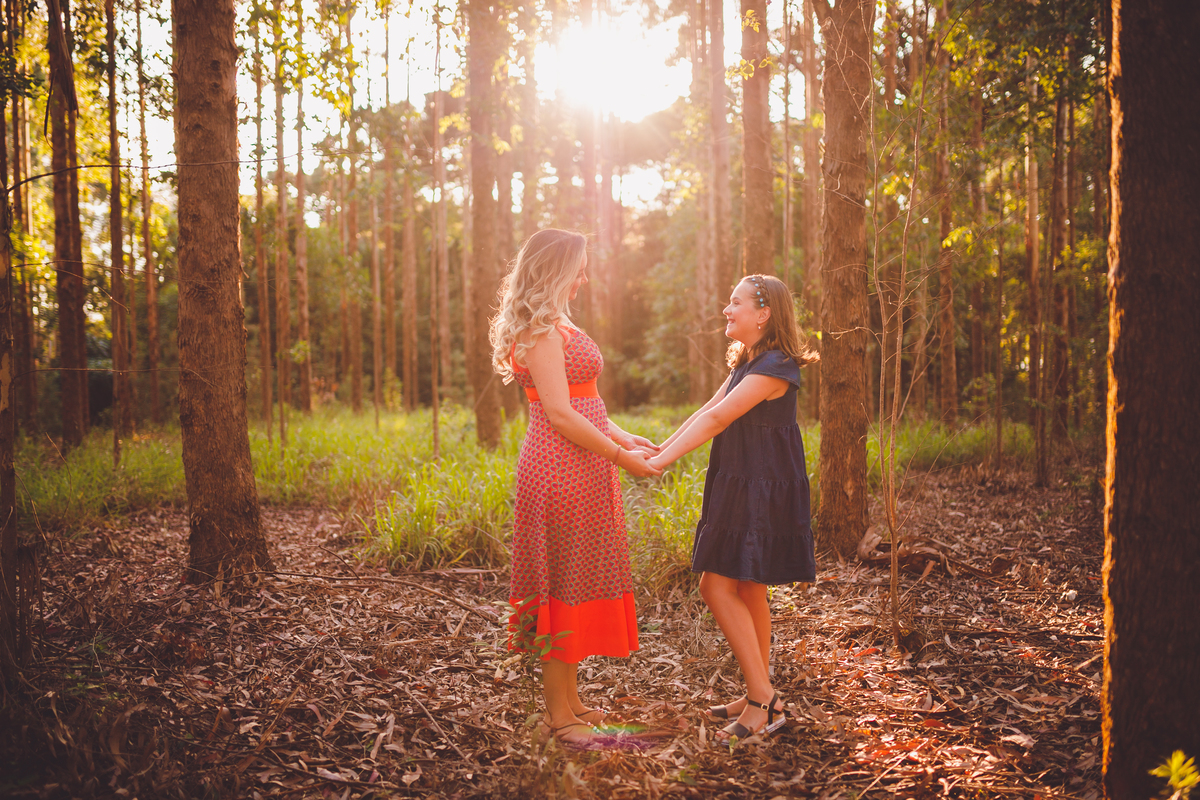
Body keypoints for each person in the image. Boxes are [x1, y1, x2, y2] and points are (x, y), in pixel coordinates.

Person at [489, 229, 661, 747]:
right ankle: (559, 719)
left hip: (584, 464)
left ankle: (572, 703)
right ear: (556, 268)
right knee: (561, 583)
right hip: (559, 468)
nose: (585, 276)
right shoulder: (541, 330)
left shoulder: (557, 322)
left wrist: (624, 436)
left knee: (575, 580)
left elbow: (585, 402)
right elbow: (560, 414)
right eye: (579, 267)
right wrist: (618, 456)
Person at [648, 273, 819, 742]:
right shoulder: (750, 360)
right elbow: (707, 409)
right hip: (742, 482)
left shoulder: (776, 366)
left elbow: (721, 418)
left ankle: (761, 701)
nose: (727, 309)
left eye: (736, 302)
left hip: (761, 489)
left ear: (763, 314)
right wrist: (658, 448)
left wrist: (662, 462)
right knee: (747, 588)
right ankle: (760, 692)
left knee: (715, 587)